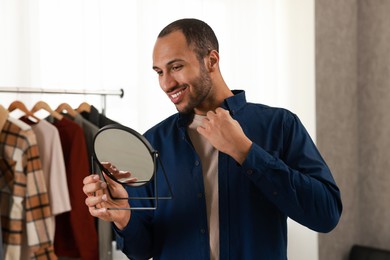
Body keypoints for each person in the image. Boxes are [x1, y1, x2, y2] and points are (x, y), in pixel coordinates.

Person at [83, 18, 342, 260]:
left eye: (176, 67)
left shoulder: (280, 125)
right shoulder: (153, 142)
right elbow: (143, 250)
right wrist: (124, 217)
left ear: (211, 60)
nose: (166, 83)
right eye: (159, 72)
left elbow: (326, 215)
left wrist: (245, 151)